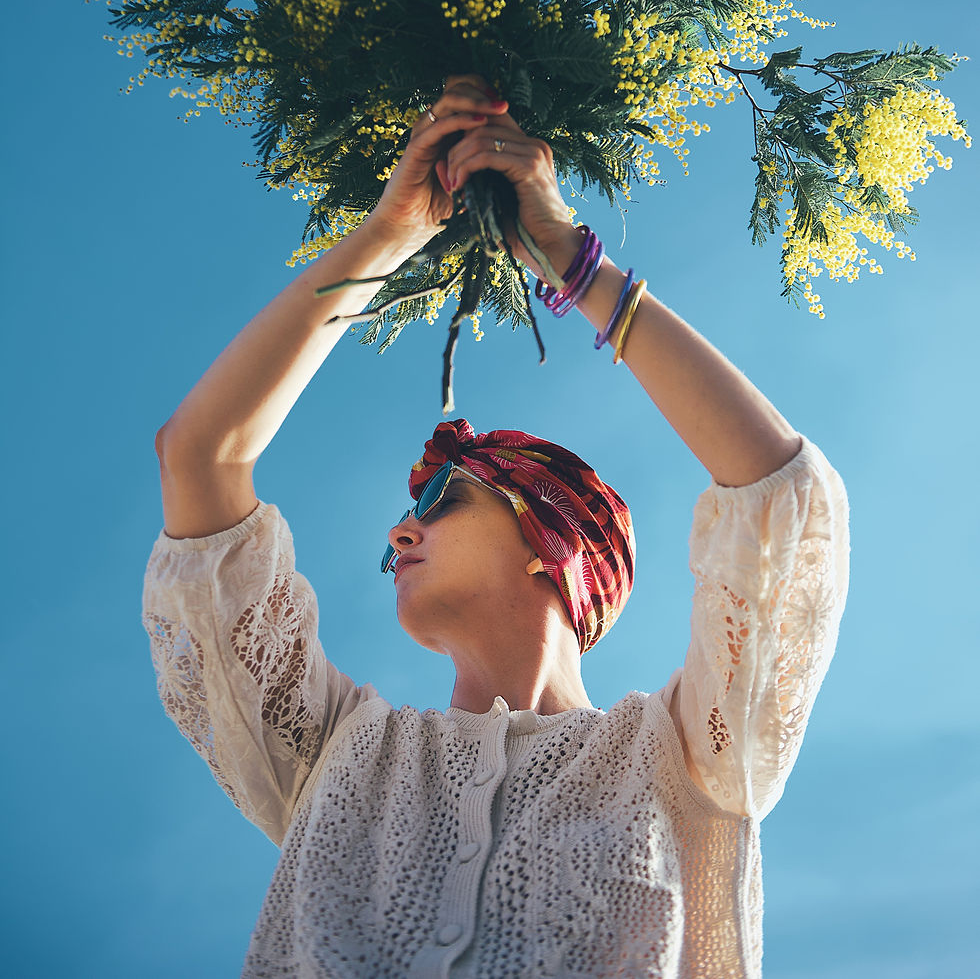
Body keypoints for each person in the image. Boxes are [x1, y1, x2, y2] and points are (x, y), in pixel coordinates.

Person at [145, 74, 849, 979]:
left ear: (549, 541)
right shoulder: (332, 756)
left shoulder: (693, 760)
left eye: (441, 495)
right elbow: (198, 460)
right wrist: (392, 232)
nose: (399, 534)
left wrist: (570, 258)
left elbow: (780, 501)